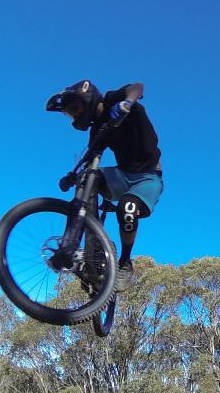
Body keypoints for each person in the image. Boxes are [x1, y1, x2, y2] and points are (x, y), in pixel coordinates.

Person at [45, 80, 163, 292]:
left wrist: (126, 103)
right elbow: (90, 158)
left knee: (127, 208)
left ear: (88, 98)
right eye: (70, 113)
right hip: (122, 175)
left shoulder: (111, 100)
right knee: (87, 177)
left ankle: (125, 262)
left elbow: (137, 87)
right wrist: (73, 176)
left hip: (148, 177)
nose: (75, 115)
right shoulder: (97, 129)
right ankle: (77, 248)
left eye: (75, 109)